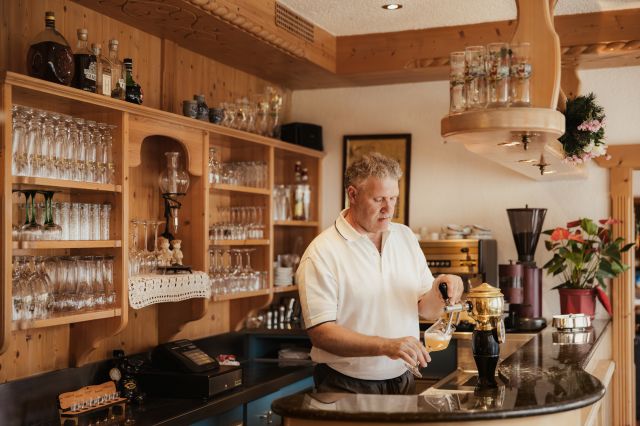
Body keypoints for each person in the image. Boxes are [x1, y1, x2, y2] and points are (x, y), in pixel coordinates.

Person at [296, 152, 464, 395]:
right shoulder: (322, 252)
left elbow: (426, 310)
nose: (388, 209)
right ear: (353, 195)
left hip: (402, 380)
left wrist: (441, 287)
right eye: (379, 199)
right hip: (345, 385)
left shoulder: (405, 237)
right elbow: (322, 334)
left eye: (393, 198)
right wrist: (385, 346)